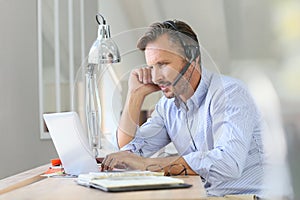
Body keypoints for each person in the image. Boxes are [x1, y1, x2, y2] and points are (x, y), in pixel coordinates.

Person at [101, 20, 265, 197]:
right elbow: (130, 151)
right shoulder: (167, 107)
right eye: (151, 67)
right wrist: (135, 95)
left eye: (163, 64)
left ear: (193, 59)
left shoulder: (230, 93)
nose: (155, 77)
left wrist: (147, 164)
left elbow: (228, 163)